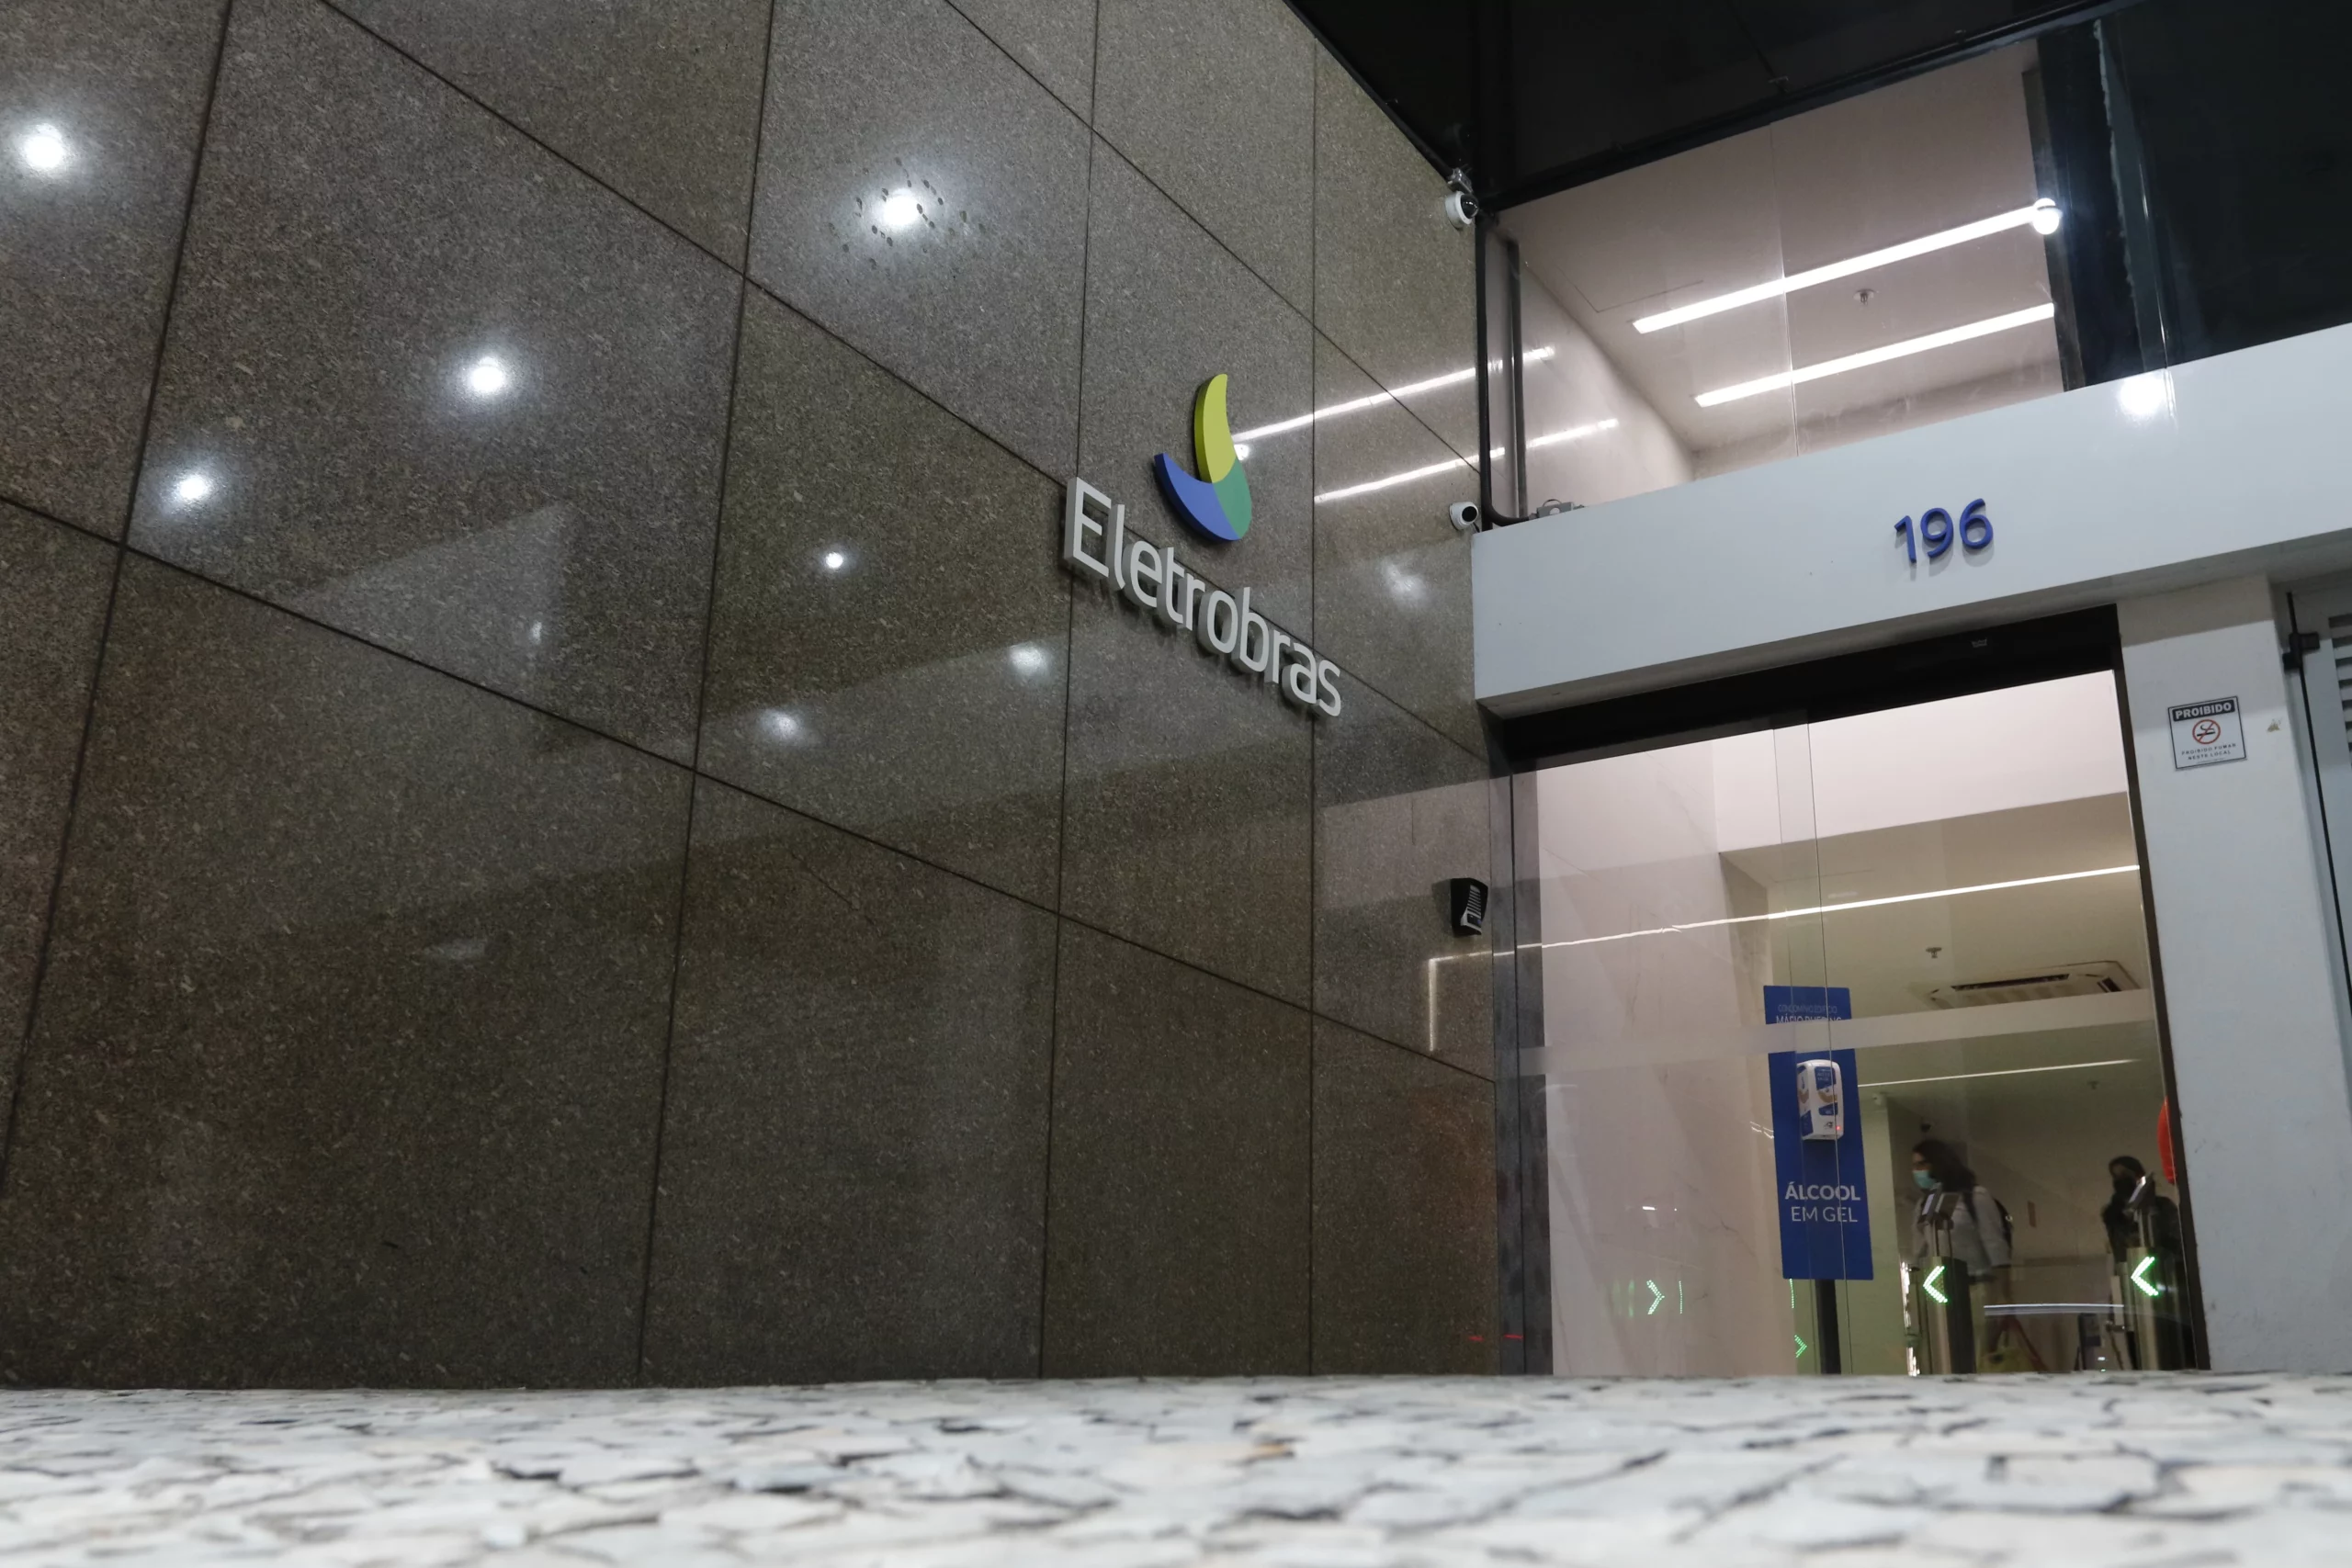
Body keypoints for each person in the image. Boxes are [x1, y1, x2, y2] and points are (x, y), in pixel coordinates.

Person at [1908, 1139, 2011, 1370]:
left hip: (1975, 1287)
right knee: (1943, 1357)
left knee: (1977, 1357)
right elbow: (1919, 1252)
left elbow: (1996, 1247)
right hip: (1939, 1291)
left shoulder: (1975, 1197)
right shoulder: (1925, 1204)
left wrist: (2005, 1297)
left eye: (1923, 1164)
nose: (1917, 1171)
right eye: (1914, 1166)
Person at [2102, 1154, 2191, 1369]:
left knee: (2177, 1346)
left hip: (2166, 1285)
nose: (2120, 1180)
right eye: (2115, 1176)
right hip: (2134, 1288)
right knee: (2141, 1349)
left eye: (2125, 1174)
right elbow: (2122, 1250)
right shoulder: (2113, 1215)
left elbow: (2177, 1245)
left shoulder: (2163, 1208)